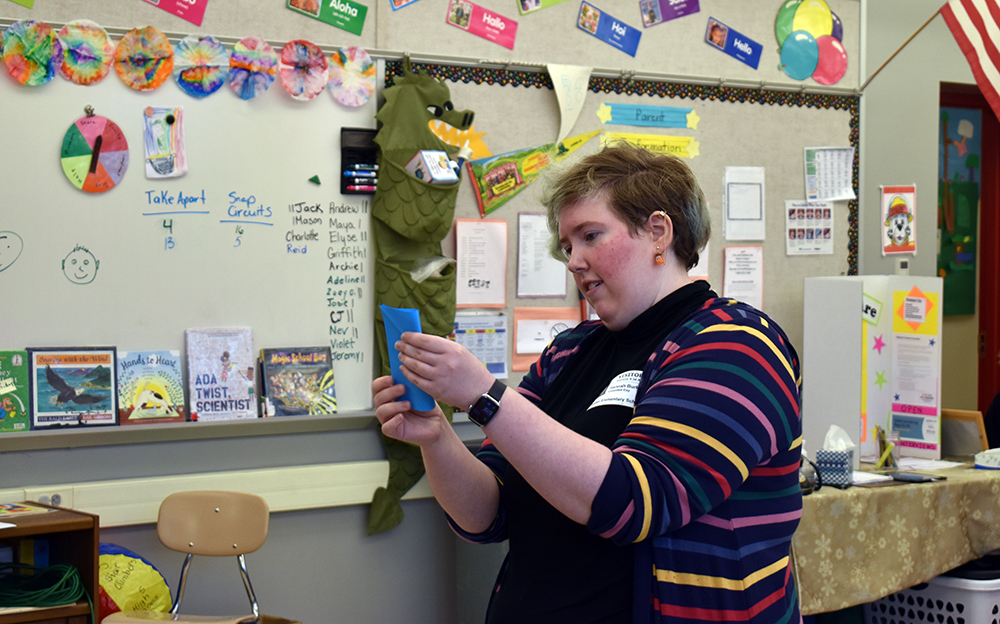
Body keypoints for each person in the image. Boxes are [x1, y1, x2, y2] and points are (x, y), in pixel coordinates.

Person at [372, 143, 802, 624]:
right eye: (568, 246)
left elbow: (635, 502)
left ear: (658, 232)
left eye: (590, 236)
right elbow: (487, 513)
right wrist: (436, 434)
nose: (574, 260)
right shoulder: (569, 351)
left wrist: (486, 397)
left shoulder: (735, 346)